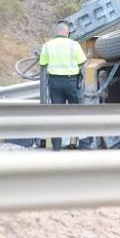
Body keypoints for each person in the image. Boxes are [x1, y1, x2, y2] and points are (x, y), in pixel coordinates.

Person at [39, 21, 87, 150]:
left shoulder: (47, 45)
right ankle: (81, 143)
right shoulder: (74, 44)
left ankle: (56, 146)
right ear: (67, 32)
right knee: (77, 112)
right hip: (71, 83)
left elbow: (43, 63)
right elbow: (82, 61)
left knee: (57, 114)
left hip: (55, 83)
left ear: (56, 32)